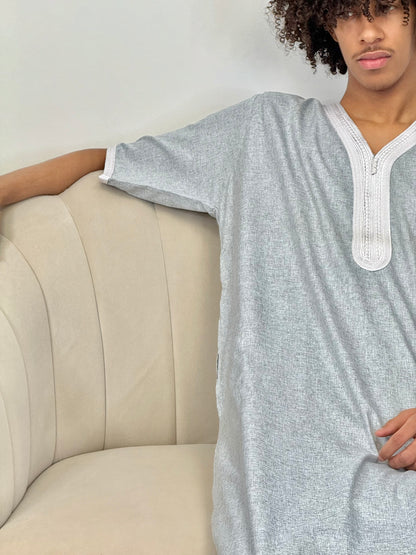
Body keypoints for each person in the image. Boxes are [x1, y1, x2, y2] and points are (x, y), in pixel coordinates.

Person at [2, 0, 416, 552]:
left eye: (386, 8)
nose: (367, 31)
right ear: (323, 23)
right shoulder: (263, 132)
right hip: (285, 478)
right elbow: (104, 161)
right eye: (347, 13)